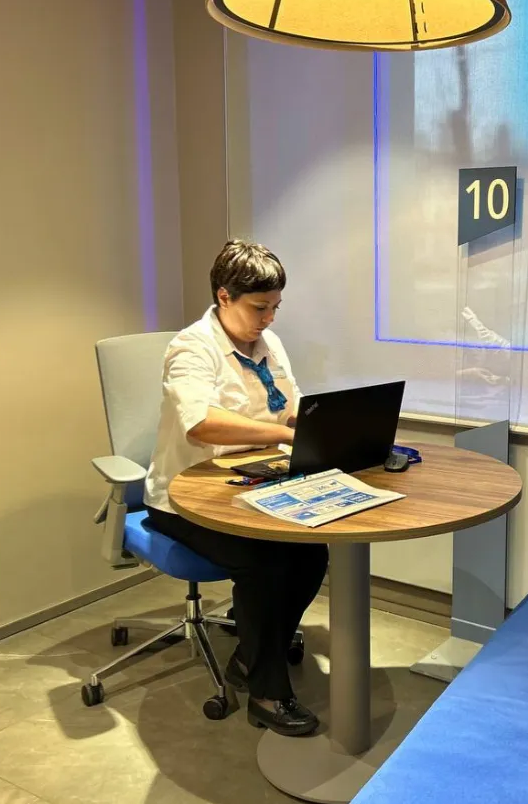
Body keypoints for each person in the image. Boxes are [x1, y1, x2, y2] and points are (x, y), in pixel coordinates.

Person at [143, 240, 327, 736]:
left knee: (311, 553)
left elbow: (290, 402)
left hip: (250, 483)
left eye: (276, 307)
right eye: (259, 307)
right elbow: (201, 422)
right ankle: (268, 694)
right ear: (224, 297)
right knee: (266, 562)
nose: (269, 319)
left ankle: (250, 655)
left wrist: (317, 426)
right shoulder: (191, 348)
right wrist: (282, 435)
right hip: (184, 500)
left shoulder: (268, 343)